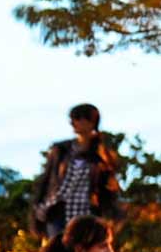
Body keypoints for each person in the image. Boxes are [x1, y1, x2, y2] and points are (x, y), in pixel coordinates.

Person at [32, 103, 122, 241]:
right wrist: (38, 206)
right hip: (57, 211)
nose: (73, 123)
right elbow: (47, 179)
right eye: (72, 119)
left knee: (80, 249)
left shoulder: (102, 156)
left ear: (91, 122)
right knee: (57, 247)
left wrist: (110, 218)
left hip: (85, 214)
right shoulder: (61, 150)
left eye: (78, 118)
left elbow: (108, 192)